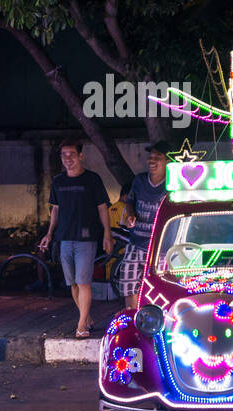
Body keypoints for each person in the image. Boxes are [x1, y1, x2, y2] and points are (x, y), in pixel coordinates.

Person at [37, 138, 113, 338]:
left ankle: (81, 325)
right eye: (64, 155)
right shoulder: (58, 181)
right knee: (73, 284)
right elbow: (55, 209)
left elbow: (102, 208)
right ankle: (85, 316)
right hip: (64, 238)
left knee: (83, 282)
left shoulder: (92, 180)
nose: (68, 158)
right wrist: (49, 234)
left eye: (72, 154)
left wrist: (107, 233)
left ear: (81, 156)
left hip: (86, 239)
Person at [116, 140, 172, 310]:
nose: (152, 160)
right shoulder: (139, 180)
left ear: (168, 162)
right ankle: (132, 320)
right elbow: (130, 202)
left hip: (161, 248)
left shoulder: (173, 184)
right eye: (151, 157)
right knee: (128, 282)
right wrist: (131, 215)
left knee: (160, 288)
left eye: (158, 157)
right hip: (136, 243)